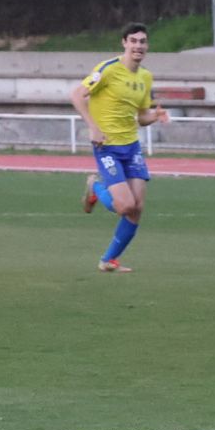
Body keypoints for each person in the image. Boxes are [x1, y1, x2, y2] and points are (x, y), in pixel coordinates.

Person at [69, 22, 169, 273]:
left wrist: (155, 117)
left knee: (137, 210)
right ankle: (96, 186)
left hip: (131, 147)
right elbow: (77, 95)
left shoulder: (145, 76)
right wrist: (93, 126)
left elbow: (141, 117)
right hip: (107, 146)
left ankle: (108, 260)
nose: (138, 46)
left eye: (142, 41)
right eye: (133, 41)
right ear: (124, 43)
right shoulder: (108, 69)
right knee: (125, 206)